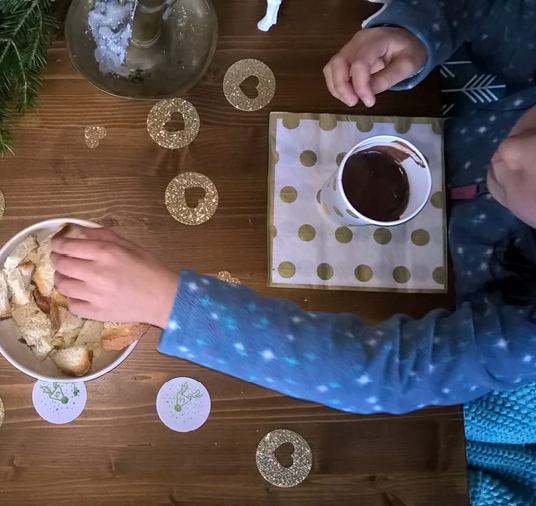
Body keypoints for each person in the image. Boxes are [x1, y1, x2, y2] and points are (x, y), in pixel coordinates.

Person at [52, 0, 536, 504]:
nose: (516, 151)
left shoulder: (523, 334)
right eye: (534, 125)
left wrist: (170, 303)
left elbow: (383, 374)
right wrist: (417, 34)